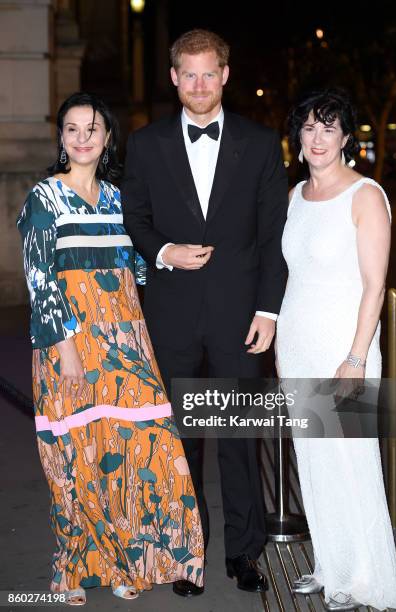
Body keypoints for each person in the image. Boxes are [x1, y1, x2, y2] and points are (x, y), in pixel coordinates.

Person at [17, 92, 204, 606]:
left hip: (125, 345)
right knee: (76, 457)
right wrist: (67, 347)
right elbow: (40, 279)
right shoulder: (45, 198)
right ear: (61, 138)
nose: (82, 138)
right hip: (70, 344)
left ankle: (128, 559)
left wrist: (179, 263)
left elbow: (139, 269)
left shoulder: (119, 199)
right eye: (72, 129)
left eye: (92, 129)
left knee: (136, 449)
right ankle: (73, 569)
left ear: (107, 138)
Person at [122, 29, 288, 597]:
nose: (198, 84)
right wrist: (164, 252)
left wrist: (269, 311)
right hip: (172, 315)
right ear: (173, 78)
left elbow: (273, 236)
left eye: (208, 73)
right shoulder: (144, 146)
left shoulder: (262, 144)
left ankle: (245, 552)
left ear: (225, 75)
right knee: (182, 442)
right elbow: (136, 220)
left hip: (240, 316)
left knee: (240, 440)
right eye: (187, 74)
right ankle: (188, 553)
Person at [276, 88, 396, 611]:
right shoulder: (294, 197)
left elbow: (375, 284)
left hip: (344, 346)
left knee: (352, 460)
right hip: (298, 343)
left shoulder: (365, 196)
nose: (316, 138)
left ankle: (364, 579)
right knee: (312, 460)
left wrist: (356, 356)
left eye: (328, 128)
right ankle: (330, 564)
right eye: (309, 127)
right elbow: (294, 277)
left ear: (345, 138)